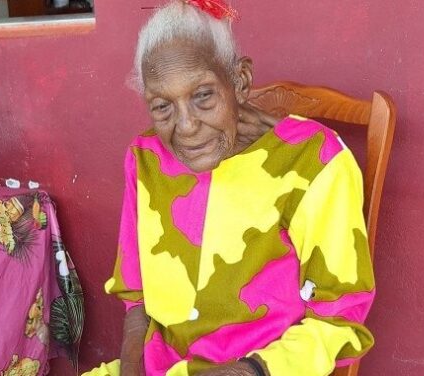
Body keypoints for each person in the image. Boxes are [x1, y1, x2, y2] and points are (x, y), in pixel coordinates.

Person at [86, 1, 375, 375]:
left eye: (203, 95)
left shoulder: (314, 161)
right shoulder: (146, 158)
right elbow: (136, 297)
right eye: (162, 106)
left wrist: (246, 372)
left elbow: (339, 321)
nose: (186, 126)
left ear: (239, 81)